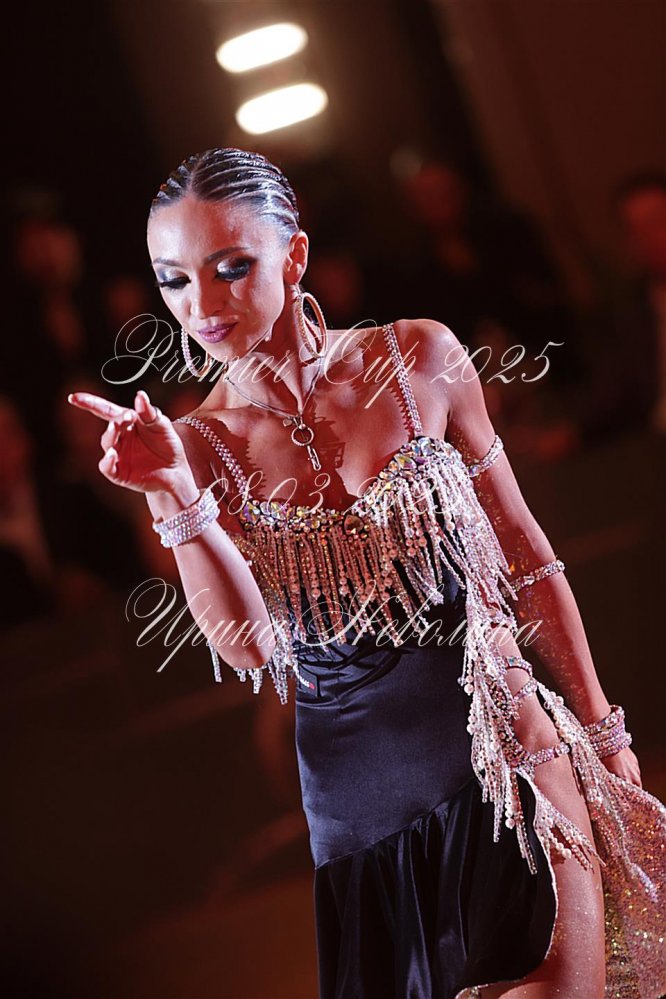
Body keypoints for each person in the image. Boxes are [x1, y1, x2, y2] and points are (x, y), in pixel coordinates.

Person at [67, 147, 666, 999]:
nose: (202, 304)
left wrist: (605, 730)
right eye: (174, 280)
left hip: (511, 766)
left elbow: (527, 554)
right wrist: (175, 495)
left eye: (231, 267)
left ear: (295, 255)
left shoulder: (420, 356)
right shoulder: (198, 446)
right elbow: (250, 648)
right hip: (361, 818)